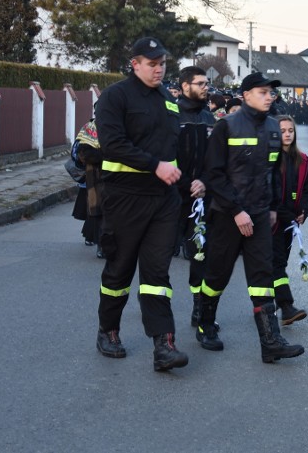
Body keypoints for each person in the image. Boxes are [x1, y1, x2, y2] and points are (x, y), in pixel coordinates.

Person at [196, 71, 304, 363]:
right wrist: (236, 210)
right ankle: (205, 323)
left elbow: (271, 175)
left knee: (261, 277)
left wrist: (270, 208)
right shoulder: (227, 126)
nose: (269, 97)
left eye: (271, 92)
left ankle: (270, 343)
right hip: (228, 216)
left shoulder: (273, 127)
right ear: (245, 96)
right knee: (218, 274)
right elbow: (214, 175)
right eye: (262, 92)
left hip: (258, 215)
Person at [94, 36, 188, 372]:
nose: (159, 69)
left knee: (156, 274)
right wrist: (155, 166)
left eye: (162, 63)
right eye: (152, 63)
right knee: (119, 269)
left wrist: (191, 178)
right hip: (125, 197)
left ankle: (164, 344)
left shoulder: (167, 98)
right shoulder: (115, 96)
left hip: (163, 200)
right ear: (134, 64)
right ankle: (108, 329)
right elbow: (113, 145)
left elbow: (173, 146)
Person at [174, 66, 216, 328]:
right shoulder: (171, 115)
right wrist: (185, 182)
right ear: (184, 86)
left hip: (200, 199)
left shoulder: (209, 118)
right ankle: (153, 305)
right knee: (156, 255)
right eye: (199, 83)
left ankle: (199, 307)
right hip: (170, 196)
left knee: (199, 254)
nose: (205, 87)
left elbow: (215, 159)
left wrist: (205, 183)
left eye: (206, 83)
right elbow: (164, 156)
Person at [272, 114, 308, 325]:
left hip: (291, 222)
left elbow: (307, 190)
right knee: (276, 263)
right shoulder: (271, 158)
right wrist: (287, 214)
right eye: (282, 131)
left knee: (278, 263)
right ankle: (286, 307)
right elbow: (271, 192)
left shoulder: (302, 160)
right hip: (273, 221)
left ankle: (269, 305)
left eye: (290, 130)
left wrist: (304, 210)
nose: (287, 134)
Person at [75, 119, 105, 258]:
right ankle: (101, 245)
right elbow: (83, 153)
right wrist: (104, 155)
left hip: (116, 178)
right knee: (98, 212)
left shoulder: (119, 124)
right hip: (96, 179)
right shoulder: (90, 128)